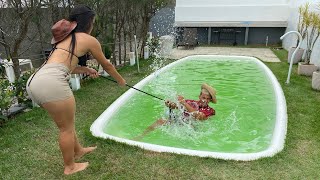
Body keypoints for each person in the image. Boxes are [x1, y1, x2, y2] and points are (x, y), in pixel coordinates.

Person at [26, 5, 126, 175]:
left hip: (35, 82)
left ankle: (78, 150)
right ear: (89, 22)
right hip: (51, 84)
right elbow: (107, 65)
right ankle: (70, 167)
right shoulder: (88, 39)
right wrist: (121, 80)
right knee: (66, 128)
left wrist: (85, 70)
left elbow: (62, 66)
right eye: (93, 22)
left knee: (67, 124)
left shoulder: (65, 39)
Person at [134, 83, 216, 140]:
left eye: (208, 99)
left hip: (192, 127)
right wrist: (171, 104)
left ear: (210, 100)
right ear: (199, 96)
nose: (205, 100)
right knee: (160, 121)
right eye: (204, 97)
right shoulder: (191, 102)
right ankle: (141, 136)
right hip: (180, 121)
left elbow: (198, 116)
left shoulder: (210, 111)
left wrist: (183, 102)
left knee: (190, 126)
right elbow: (178, 106)